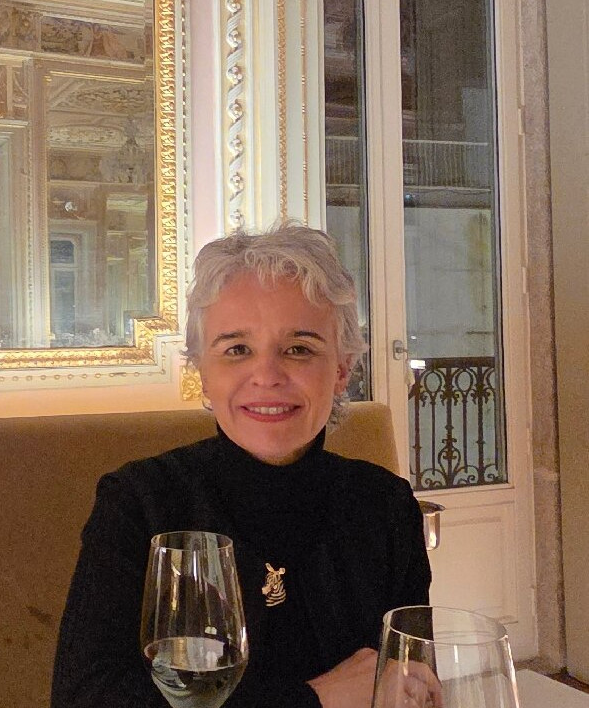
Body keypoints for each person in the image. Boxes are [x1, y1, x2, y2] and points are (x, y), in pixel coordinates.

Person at [51, 223, 433, 708]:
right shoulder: (139, 502)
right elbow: (85, 698)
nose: (267, 376)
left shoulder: (387, 505)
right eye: (236, 350)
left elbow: (413, 685)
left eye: (299, 348)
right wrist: (314, 699)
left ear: (341, 370)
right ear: (202, 373)